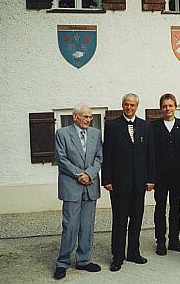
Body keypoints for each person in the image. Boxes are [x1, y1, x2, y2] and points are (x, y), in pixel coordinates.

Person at [102, 93, 156, 272]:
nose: (129, 107)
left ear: (137, 106)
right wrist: (107, 179)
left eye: (132, 105)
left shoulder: (145, 126)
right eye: (126, 104)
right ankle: (118, 256)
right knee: (119, 221)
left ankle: (133, 252)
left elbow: (150, 155)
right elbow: (107, 154)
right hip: (118, 184)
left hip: (139, 183)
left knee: (136, 220)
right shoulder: (111, 126)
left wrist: (150, 180)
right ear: (122, 105)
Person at [53, 104, 103, 280]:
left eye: (90, 117)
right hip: (71, 186)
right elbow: (61, 158)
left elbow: (99, 157)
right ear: (75, 117)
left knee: (87, 226)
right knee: (70, 226)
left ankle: (83, 260)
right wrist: (79, 175)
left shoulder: (96, 134)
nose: (88, 120)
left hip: (90, 185)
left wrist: (89, 174)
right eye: (85, 116)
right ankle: (62, 262)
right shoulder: (62, 134)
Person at [152, 93, 180, 255]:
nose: (167, 109)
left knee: (175, 207)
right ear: (161, 108)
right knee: (160, 207)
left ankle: (174, 240)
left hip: (177, 175)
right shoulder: (153, 127)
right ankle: (160, 241)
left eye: (170, 105)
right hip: (160, 176)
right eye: (164, 106)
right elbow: (150, 153)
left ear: (175, 107)